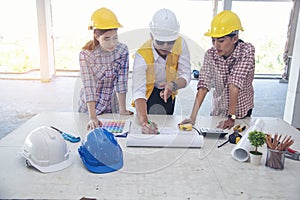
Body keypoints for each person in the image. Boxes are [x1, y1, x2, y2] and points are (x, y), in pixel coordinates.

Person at [180, 10, 255, 130]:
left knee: (236, 140)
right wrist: (193, 117)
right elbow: (203, 86)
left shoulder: (246, 51)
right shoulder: (210, 54)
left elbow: (234, 85)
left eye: (221, 41)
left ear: (235, 38)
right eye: (213, 40)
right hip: (218, 109)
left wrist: (231, 118)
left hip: (240, 111)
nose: (216, 45)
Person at [132, 8, 191, 134]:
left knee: (167, 126)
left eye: (170, 42)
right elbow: (138, 91)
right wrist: (144, 121)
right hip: (148, 93)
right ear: (151, 36)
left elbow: (186, 74)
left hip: (169, 90)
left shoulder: (181, 44)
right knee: (147, 127)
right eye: (160, 42)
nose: (165, 46)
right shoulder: (142, 55)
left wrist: (173, 85)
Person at [78, 7, 133, 131]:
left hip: (111, 105)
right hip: (88, 109)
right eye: (106, 39)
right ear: (96, 36)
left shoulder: (122, 50)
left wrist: (122, 109)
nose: (112, 43)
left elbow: (121, 81)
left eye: (115, 37)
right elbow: (89, 86)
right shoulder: (86, 54)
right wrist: (92, 117)